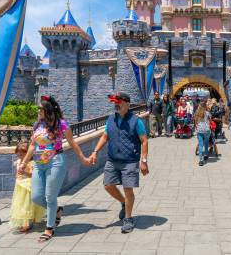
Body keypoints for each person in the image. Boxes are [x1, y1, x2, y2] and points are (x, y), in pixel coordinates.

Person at [19, 96, 91, 242]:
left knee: (50, 197)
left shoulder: (61, 124)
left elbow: (72, 143)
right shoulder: (37, 125)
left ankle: (49, 227)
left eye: (40, 108)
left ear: (47, 110)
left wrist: (83, 158)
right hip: (39, 163)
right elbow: (32, 145)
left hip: (56, 161)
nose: (38, 111)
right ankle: (57, 210)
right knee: (37, 197)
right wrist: (24, 162)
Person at [90, 92, 149, 234]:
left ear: (127, 104)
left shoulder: (136, 121)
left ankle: (128, 219)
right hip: (112, 159)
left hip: (129, 160)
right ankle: (124, 203)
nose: (116, 105)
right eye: (114, 103)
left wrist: (144, 161)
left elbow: (144, 140)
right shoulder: (111, 119)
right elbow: (105, 136)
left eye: (119, 102)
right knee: (108, 185)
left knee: (128, 189)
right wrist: (95, 151)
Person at [9, 141, 45, 233]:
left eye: (23, 153)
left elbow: (33, 174)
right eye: (18, 153)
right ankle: (27, 221)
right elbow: (17, 173)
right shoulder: (17, 162)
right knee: (20, 205)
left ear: (28, 153)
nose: (20, 154)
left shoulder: (31, 163)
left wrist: (24, 172)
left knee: (27, 205)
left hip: (27, 186)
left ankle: (26, 224)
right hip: (19, 186)